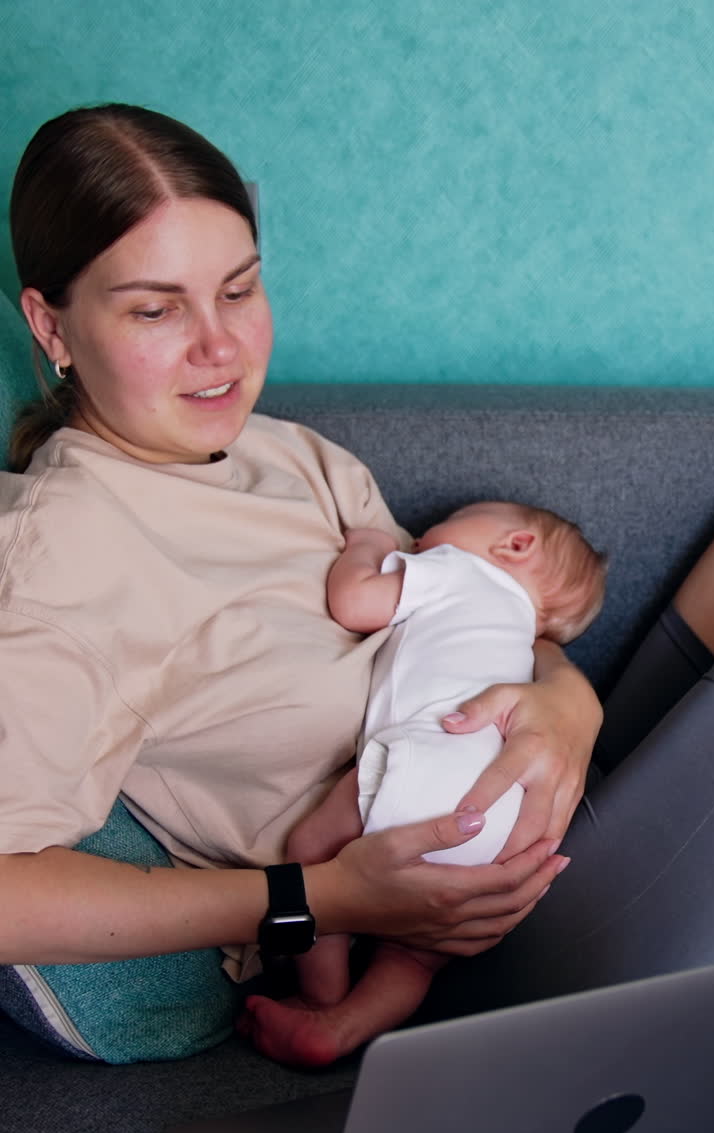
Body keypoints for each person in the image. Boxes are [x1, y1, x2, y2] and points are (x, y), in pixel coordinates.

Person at [0, 105, 592, 1042]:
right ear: (52, 325)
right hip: (391, 927)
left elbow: (454, 610)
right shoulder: (67, 552)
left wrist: (568, 700)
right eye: (155, 309)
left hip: (519, 844)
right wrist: (315, 899)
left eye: (239, 290)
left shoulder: (294, 457)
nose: (220, 349)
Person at [240, 500, 606, 1065]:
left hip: (431, 759)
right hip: (507, 817)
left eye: (462, 514)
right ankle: (341, 1030)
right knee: (415, 957)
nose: (422, 537)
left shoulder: (463, 572)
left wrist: (368, 547)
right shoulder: (523, 645)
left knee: (312, 853)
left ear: (515, 546)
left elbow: (355, 601)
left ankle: (320, 996)